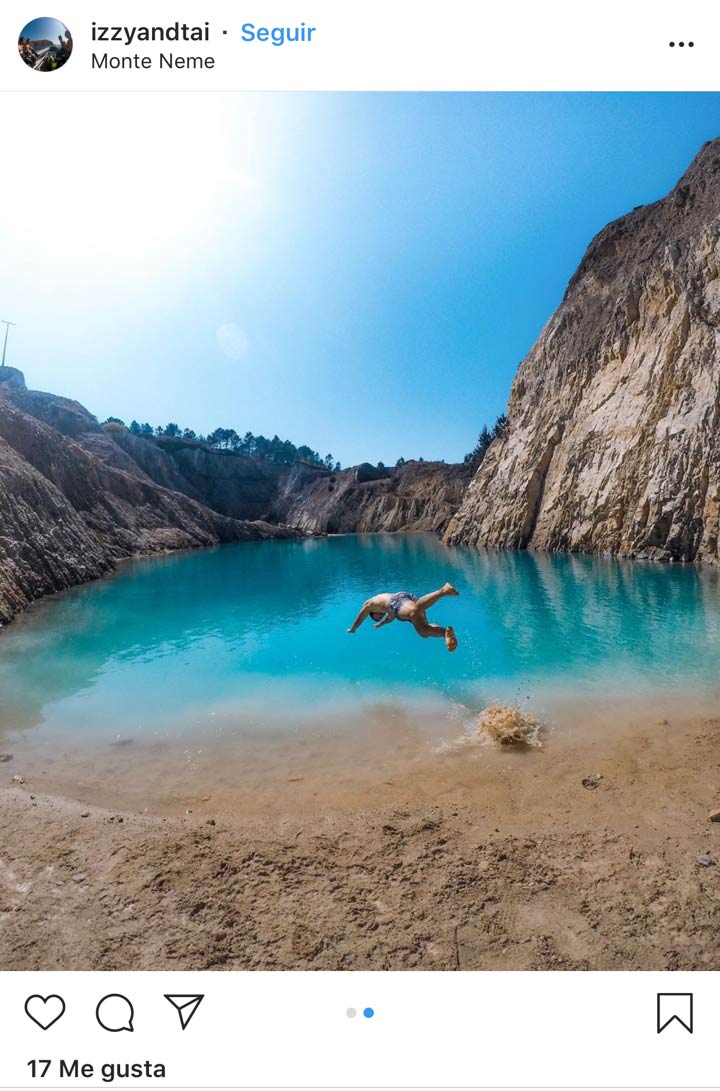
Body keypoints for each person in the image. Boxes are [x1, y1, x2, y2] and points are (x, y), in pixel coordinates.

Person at [347, 582, 459, 652]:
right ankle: (445, 634)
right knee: (423, 631)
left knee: (414, 611)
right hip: (399, 604)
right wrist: (380, 624)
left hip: (397, 601)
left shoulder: (370, 604)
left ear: (372, 613)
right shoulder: (387, 611)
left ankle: (443, 591)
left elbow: (360, 616)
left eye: (377, 618)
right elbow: (389, 618)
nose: (379, 617)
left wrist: (353, 628)